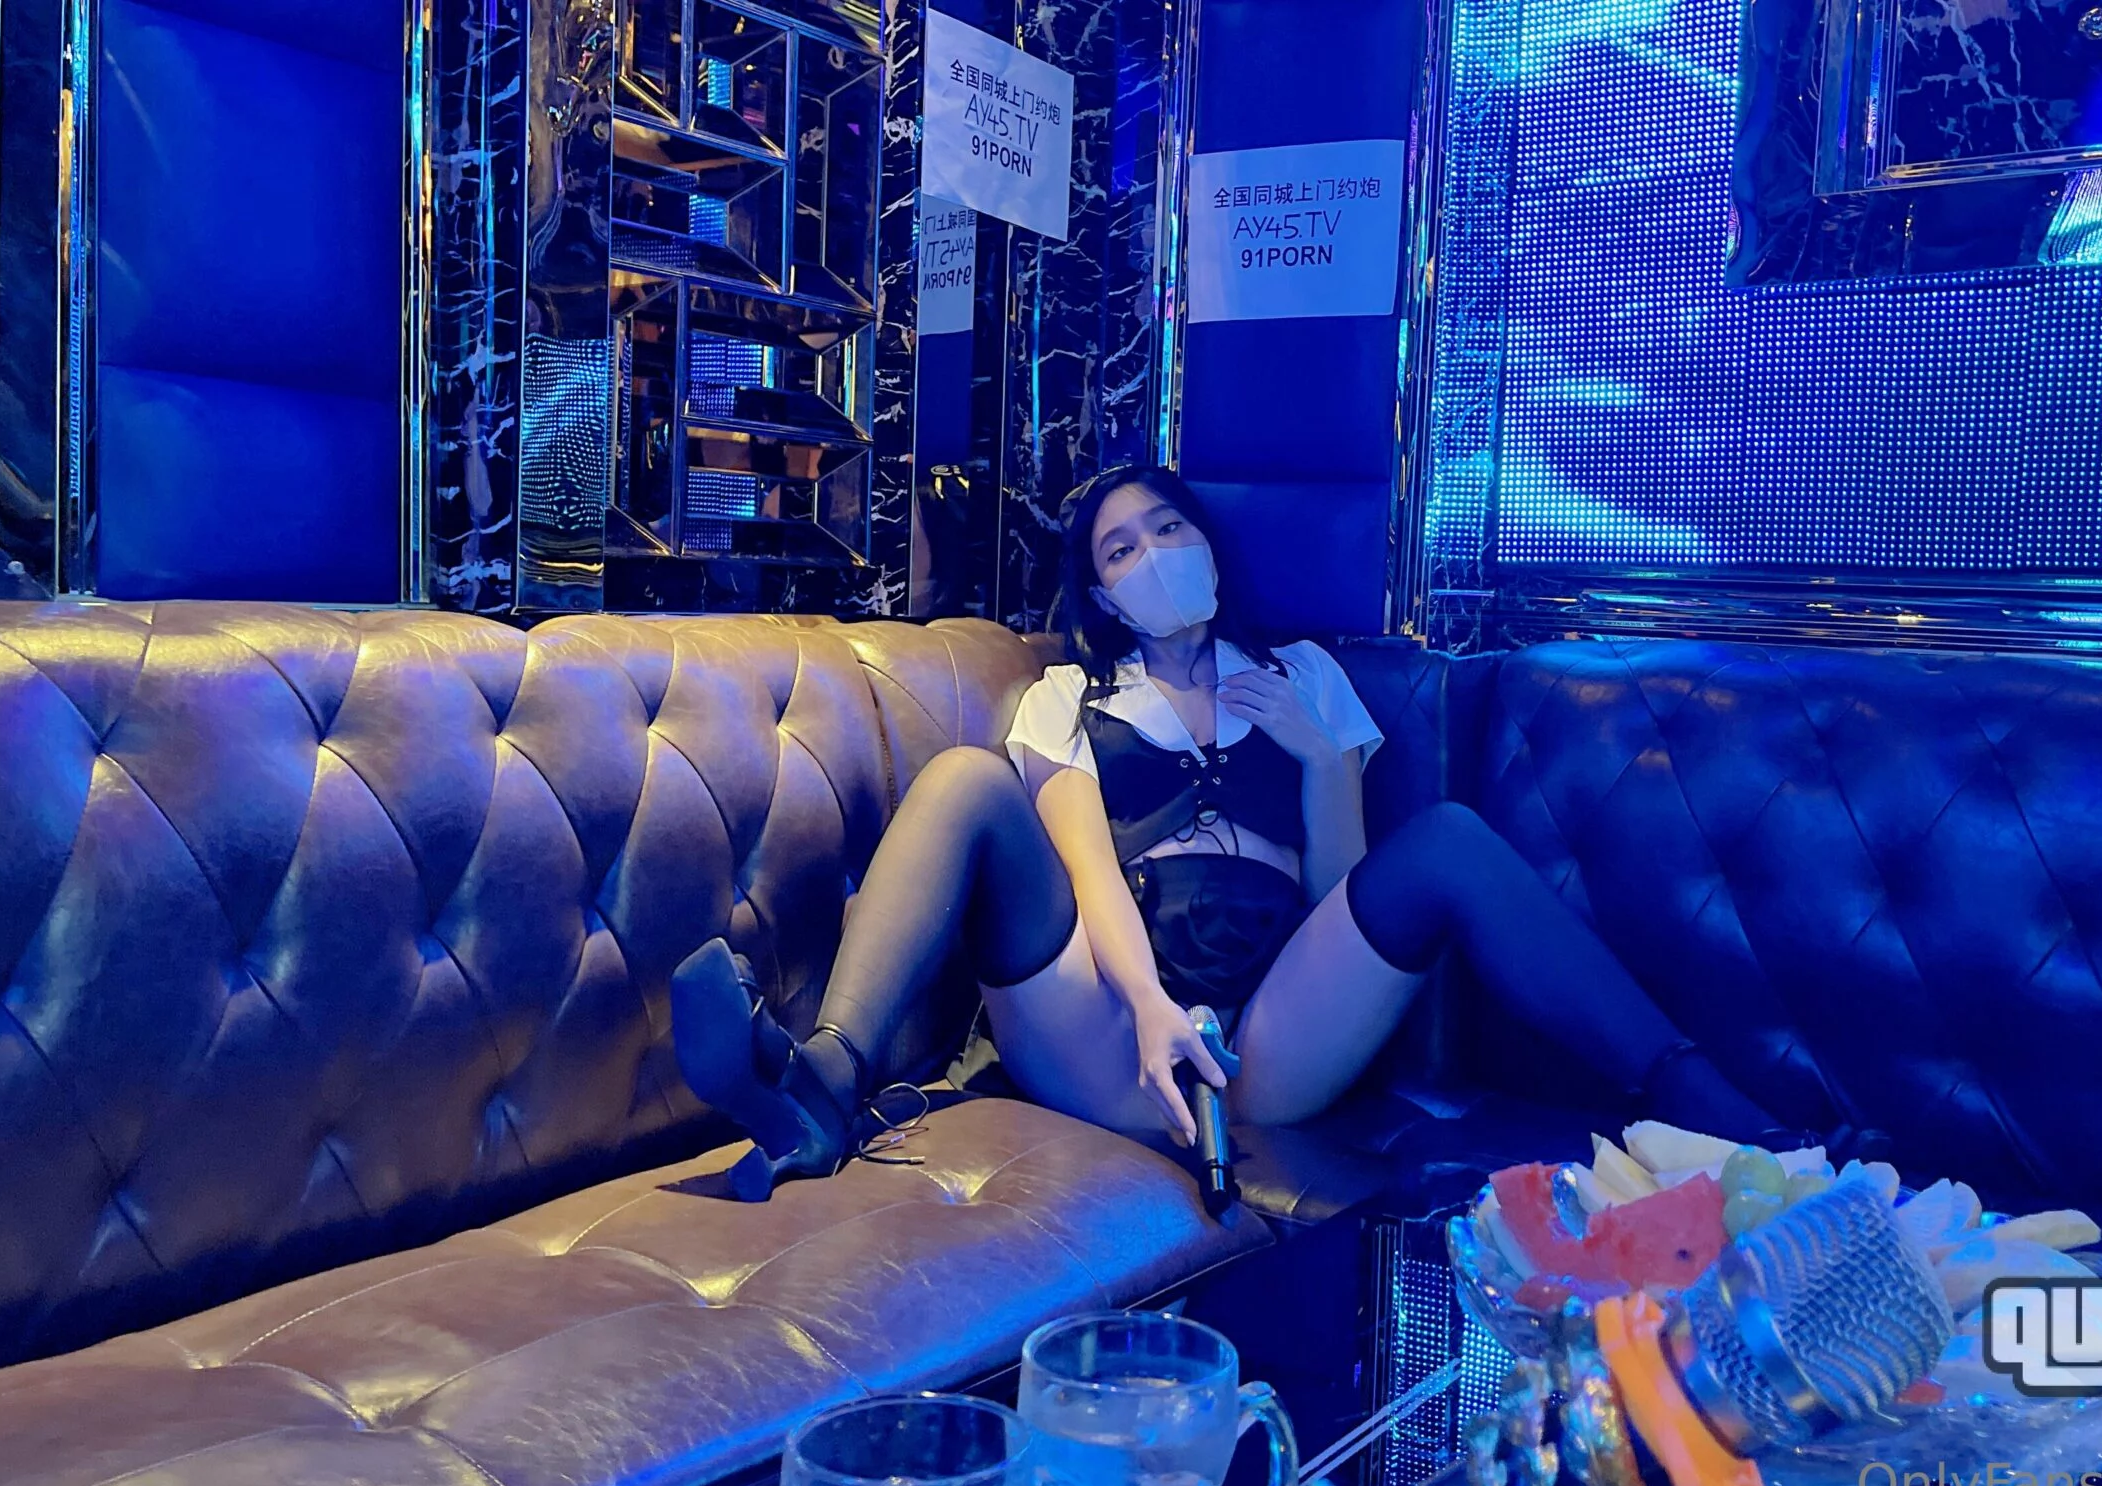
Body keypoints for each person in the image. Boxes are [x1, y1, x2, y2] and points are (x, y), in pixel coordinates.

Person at [671, 465, 1772, 1197]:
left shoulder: (1306, 677)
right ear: (1104, 597)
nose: (1150, 554)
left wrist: (1322, 759)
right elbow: (1088, 868)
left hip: (1272, 1034)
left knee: (1443, 838)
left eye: (1166, 528)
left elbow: (1344, 903)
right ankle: (823, 1081)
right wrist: (1151, 1006)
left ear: (1206, 542)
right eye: (1119, 552)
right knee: (966, 779)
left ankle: (1689, 1092)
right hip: (1107, 1022)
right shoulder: (1070, 695)